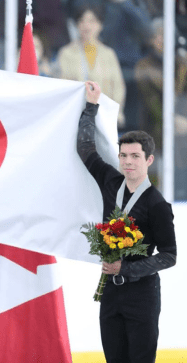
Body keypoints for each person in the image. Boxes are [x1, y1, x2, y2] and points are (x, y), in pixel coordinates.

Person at [77, 81, 177, 363]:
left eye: (135, 156)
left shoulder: (157, 204)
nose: (128, 162)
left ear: (149, 160)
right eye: (123, 156)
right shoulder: (111, 181)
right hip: (110, 292)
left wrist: (128, 268)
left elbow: (170, 256)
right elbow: (85, 147)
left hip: (142, 294)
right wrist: (91, 106)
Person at [58, 4, 125, 126]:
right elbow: (62, 87)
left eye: (92, 21)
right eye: (81, 21)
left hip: (104, 118)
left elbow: (118, 88)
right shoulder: (66, 53)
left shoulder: (109, 54)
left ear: (100, 25)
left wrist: (114, 114)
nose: (86, 25)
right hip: (75, 119)